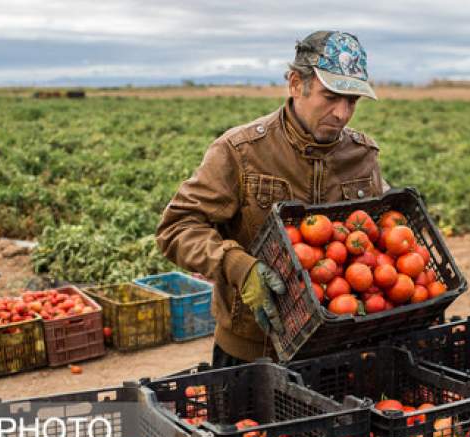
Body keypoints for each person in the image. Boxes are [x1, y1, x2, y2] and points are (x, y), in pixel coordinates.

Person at [156, 31, 389, 367]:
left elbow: (378, 242)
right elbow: (177, 227)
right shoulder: (241, 151)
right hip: (253, 348)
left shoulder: (362, 155)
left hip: (340, 344)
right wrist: (236, 264)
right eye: (330, 96)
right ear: (296, 84)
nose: (341, 113)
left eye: (352, 101)